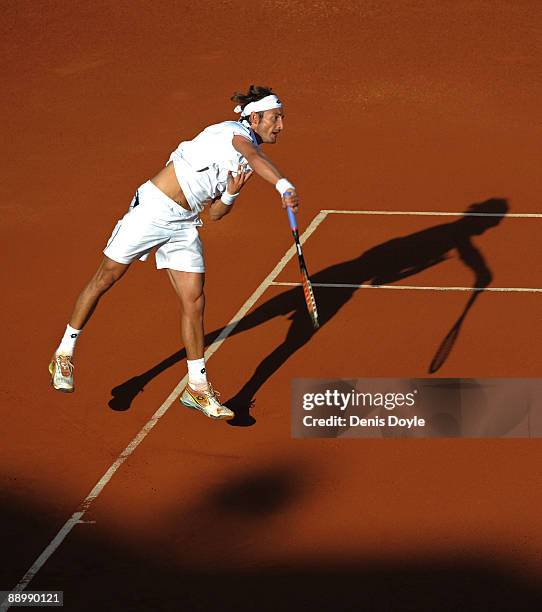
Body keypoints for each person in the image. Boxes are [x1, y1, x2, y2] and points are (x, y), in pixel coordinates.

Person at [49, 85, 299, 420]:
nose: (280, 125)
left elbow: (214, 215)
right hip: (152, 209)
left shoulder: (244, 159)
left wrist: (231, 196)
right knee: (106, 277)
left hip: (184, 222)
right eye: (275, 118)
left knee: (194, 300)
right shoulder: (233, 133)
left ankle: (197, 387)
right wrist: (283, 185)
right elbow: (254, 155)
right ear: (254, 117)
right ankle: (64, 353)